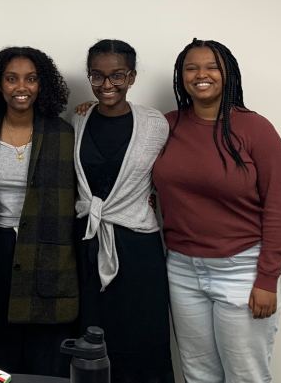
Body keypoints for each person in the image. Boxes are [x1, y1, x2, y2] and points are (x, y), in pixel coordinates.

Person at [152, 39, 281, 383]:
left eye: (212, 67)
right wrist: (89, 110)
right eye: (191, 68)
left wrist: (267, 278)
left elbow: (277, 207)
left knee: (246, 376)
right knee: (198, 374)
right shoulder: (167, 126)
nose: (201, 75)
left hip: (241, 271)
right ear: (181, 76)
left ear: (228, 73)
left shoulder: (256, 129)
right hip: (182, 270)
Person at [73, 40, 173, 382]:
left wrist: (154, 198)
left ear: (131, 77)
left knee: (142, 341)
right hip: (87, 245)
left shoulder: (155, 124)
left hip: (138, 249)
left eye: (117, 75)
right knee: (92, 344)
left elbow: (174, 171)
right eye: (97, 76)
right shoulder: (79, 118)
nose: (106, 85)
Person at [0, 46, 77, 377]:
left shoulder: (63, 133)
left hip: (47, 253)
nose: (21, 87)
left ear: (42, 84)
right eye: (11, 79)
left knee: (45, 352)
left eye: (31, 79)